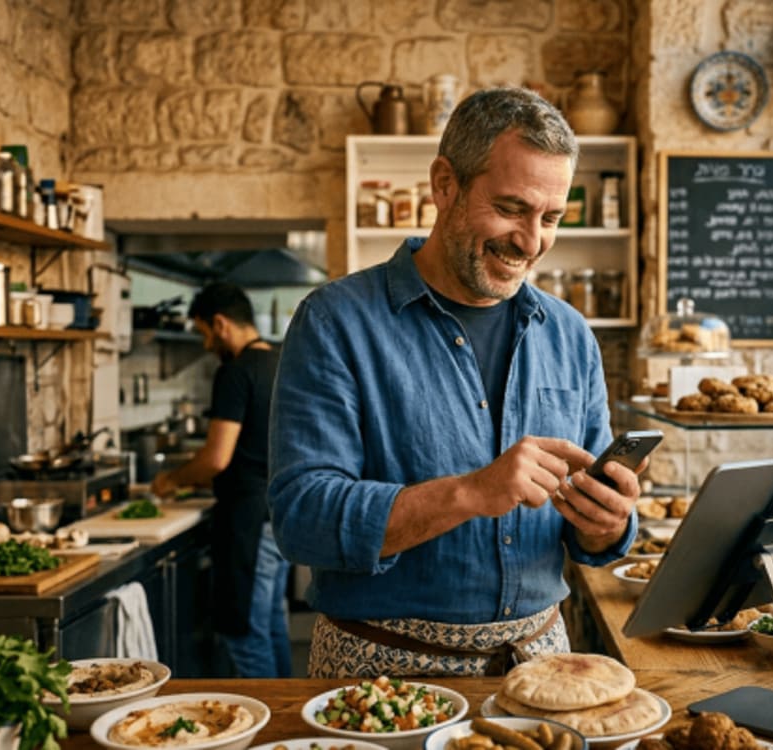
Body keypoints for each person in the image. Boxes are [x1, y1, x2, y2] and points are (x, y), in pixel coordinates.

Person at [268, 87, 640, 679]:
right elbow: (302, 518)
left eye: (551, 218)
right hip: (381, 671)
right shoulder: (335, 320)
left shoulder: (571, 335)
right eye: (512, 208)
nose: (532, 242)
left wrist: (609, 522)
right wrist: (469, 493)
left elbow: (589, 535)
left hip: (540, 661)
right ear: (445, 184)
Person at [150, 283, 290, 678]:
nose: (206, 344)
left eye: (204, 333)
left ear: (221, 324)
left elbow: (216, 457)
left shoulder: (236, 372)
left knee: (245, 637)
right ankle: (291, 711)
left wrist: (171, 480)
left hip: (248, 521)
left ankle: (269, 716)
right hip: (279, 516)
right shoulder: (281, 363)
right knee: (272, 627)